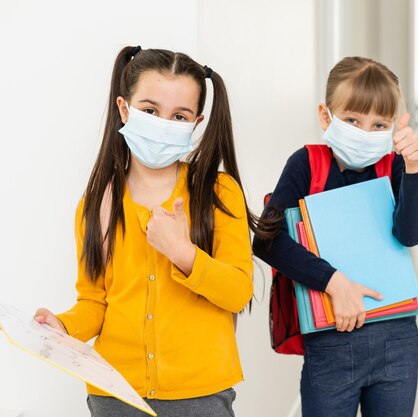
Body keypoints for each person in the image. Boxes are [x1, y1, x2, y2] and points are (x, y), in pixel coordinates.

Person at [34, 45, 260, 417]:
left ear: (196, 124)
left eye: (179, 115)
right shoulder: (97, 204)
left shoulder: (219, 193)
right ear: (124, 109)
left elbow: (238, 293)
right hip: (115, 393)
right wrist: (62, 325)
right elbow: (94, 302)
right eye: (150, 111)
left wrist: (182, 252)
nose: (162, 123)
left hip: (201, 396)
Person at [253, 56, 418, 417]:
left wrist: (413, 169)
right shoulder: (305, 165)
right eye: (352, 120)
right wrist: (334, 282)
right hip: (332, 339)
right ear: (325, 115)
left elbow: (410, 234)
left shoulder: (395, 165)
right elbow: (267, 240)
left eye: (379, 124)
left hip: (397, 338)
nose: (366, 133)